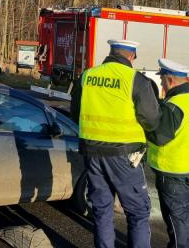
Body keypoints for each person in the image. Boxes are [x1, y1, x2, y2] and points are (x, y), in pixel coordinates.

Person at [71, 39, 160, 248]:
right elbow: (151, 119)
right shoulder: (135, 79)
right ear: (131, 56)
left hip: (92, 151)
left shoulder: (87, 76)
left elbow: (76, 113)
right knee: (137, 211)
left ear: (111, 52)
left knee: (102, 208)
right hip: (124, 155)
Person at [146, 58, 189, 248]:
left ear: (170, 80)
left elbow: (159, 137)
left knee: (176, 220)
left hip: (172, 171)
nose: (161, 84)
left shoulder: (173, 106)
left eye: (162, 80)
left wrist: (145, 124)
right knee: (183, 214)